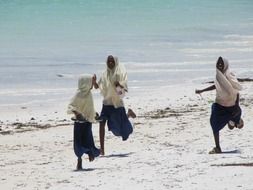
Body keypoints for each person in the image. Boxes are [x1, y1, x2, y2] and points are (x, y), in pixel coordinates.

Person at [195, 56, 244, 154]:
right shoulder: (218, 76)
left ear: (225, 65)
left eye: (222, 63)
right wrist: (202, 90)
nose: (220, 65)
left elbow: (236, 92)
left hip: (232, 106)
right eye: (218, 63)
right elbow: (216, 86)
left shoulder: (230, 76)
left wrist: (237, 106)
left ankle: (234, 121)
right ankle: (218, 147)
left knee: (239, 126)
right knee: (214, 123)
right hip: (219, 104)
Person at [94, 55, 135, 155]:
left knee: (122, 132)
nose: (110, 63)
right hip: (107, 103)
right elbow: (97, 87)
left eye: (112, 61)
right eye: (109, 61)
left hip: (117, 104)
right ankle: (102, 150)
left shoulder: (120, 73)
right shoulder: (104, 74)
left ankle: (128, 115)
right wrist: (94, 82)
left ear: (115, 62)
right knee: (102, 123)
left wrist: (119, 84)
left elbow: (123, 89)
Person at [67, 74, 100, 170]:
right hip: (79, 123)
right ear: (85, 83)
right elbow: (70, 106)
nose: (91, 85)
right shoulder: (78, 94)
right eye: (90, 82)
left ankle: (90, 152)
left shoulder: (89, 94)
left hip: (88, 122)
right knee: (78, 143)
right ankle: (79, 159)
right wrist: (77, 113)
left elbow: (90, 107)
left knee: (88, 140)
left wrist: (95, 115)